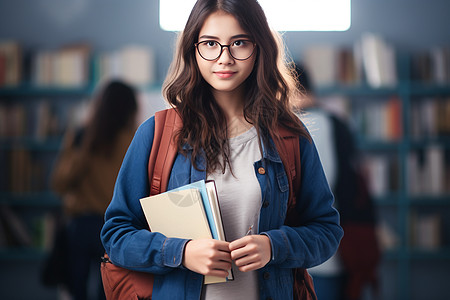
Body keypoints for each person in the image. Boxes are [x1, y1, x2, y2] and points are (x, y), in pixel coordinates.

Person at [100, 1, 343, 299]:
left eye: (239, 43)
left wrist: (274, 246)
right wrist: (182, 252)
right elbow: (116, 235)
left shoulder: (290, 136)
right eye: (210, 44)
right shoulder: (156, 133)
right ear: (193, 49)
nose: (224, 58)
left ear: (259, 47)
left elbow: (327, 232)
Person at [295, 63, 380, 300]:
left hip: (314, 252)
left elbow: (318, 189)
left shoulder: (305, 124)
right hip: (338, 243)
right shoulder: (335, 121)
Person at [51, 80, 138, 300]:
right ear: (130, 107)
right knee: (110, 290)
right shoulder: (135, 140)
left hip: (81, 225)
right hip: (118, 227)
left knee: (75, 290)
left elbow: (59, 184)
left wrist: (84, 151)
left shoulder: (82, 136)